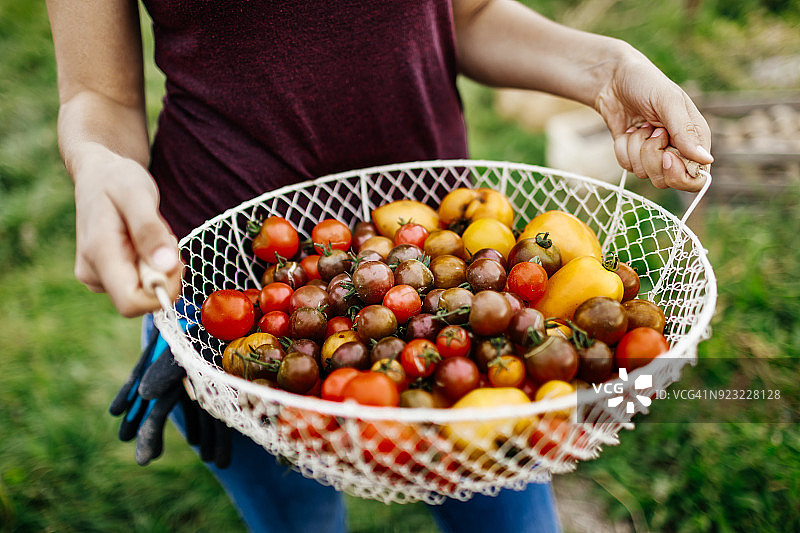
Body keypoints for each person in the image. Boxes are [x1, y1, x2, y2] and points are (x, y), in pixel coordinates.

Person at [46, 1, 713, 532]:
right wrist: (99, 164)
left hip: (444, 244)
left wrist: (606, 67)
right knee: (296, 521)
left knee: (510, 515)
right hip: (236, 286)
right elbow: (97, 98)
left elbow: (467, 14)